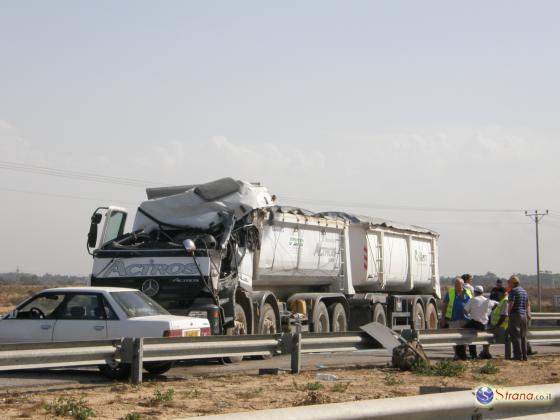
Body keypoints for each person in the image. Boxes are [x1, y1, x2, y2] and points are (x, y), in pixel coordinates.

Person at [441, 277, 473, 360]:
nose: (456, 285)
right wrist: (443, 318)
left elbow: (472, 304)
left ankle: (463, 354)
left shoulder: (468, 292)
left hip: (465, 319)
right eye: (455, 284)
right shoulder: (450, 292)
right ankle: (456, 354)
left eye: (458, 284)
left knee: (464, 337)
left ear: (462, 285)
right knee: (454, 338)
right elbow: (444, 305)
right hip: (453, 319)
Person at [507, 275, 531, 361]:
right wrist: (528, 313)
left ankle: (518, 356)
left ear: (513, 283)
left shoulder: (513, 291)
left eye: (509, 282)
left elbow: (511, 303)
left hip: (515, 315)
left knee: (515, 336)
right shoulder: (524, 291)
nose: (508, 283)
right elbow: (528, 304)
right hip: (523, 315)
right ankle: (525, 356)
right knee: (523, 336)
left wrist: (508, 313)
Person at [464, 285, 492, 359]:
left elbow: (465, 310)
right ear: (482, 292)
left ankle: (473, 354)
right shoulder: (487, 300)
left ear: (475, 292)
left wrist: (469, 314)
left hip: (475, 323)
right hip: (484, 324)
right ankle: (486, 352)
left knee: (468, 334)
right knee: (485, 338)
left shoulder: (472, 299)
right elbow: (491, 309)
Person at [488, 286, 511, 359]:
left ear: (502, 293)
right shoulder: (501, 301)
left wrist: (497, 325)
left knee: (506, 341)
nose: (497, 295)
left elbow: (504, 315)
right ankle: (486, 352)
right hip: (497, 326)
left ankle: (508, 356)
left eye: (498, 293)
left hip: (501, 327)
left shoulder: (505, 301)